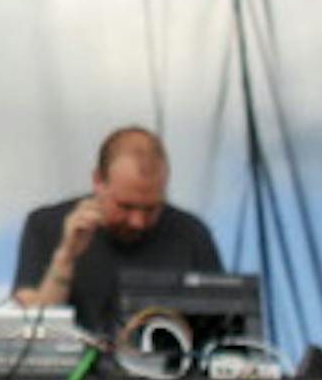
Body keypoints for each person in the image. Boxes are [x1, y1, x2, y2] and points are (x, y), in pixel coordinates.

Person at [13, 125, 221, 333]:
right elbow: (31, 334)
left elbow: (224, 326)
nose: (137, 221)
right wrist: (65, 257)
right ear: (98, 182)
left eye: (151, 209)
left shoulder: (191, 234)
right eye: (125, 206)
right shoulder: (45, 226)